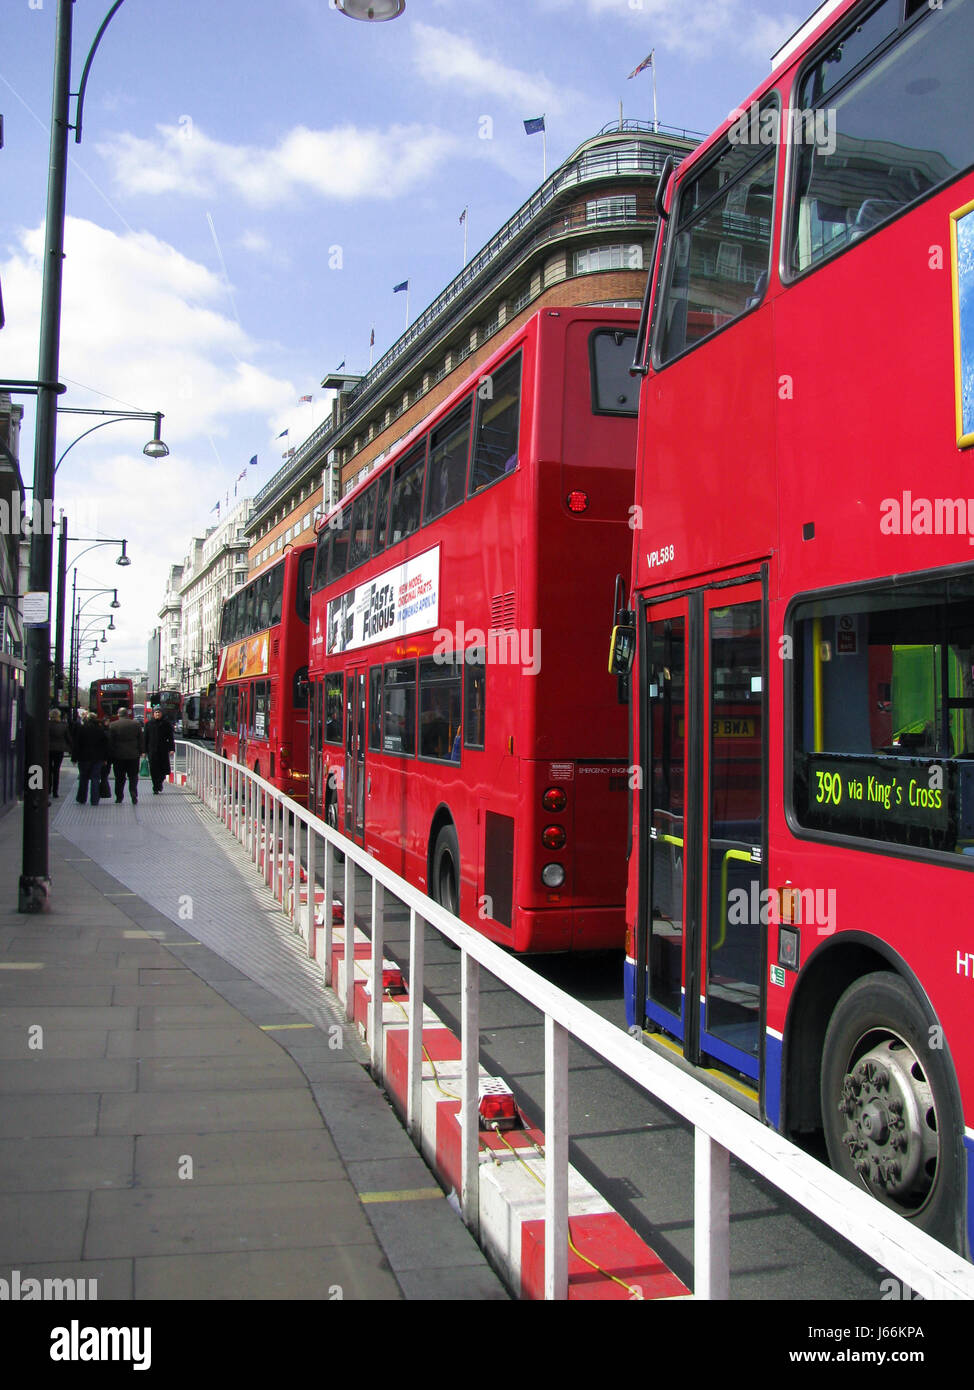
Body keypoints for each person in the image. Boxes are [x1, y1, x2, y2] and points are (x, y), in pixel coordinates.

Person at [73, 710, 111, 806]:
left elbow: (76, 744)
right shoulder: (100, 730)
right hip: (98, 758)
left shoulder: (82, 729)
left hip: (83, 757)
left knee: (83, 777)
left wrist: (74, 758)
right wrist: (105, 758)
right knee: (95, 778)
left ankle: (81, 798)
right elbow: (105, 745)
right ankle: (94, 800)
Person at [108, 705, 144, 804]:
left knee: (119, 777)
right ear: (127, 714)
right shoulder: (136, 724)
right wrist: (141, 751)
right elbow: (141, 739)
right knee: (133, 776)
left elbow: (110, 742)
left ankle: (119, 796)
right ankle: (133, 792)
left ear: (118, 715)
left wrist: (111, 754)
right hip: (133, 755)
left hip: (118, 755)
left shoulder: (113, 725)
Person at [144, 706, 176, 794]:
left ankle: (160, 782)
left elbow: (170, 737)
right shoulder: (149, 724)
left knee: (163, 769)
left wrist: (172, 748)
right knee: (153, 769)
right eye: (156, 712)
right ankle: (155, 786)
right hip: (152, 750)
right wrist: (144, 750)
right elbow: (145, 738)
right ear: (153, 714)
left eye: (159, 712)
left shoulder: (166, 724)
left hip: (163, 750)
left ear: (161, 714)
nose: (157, 714)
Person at [48, 708, 72, 798]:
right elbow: (68, 738)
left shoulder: (47, 725)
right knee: (56, 770)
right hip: (59, 749)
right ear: (59, 716)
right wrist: (71, 749)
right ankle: (55, 791)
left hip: (49, 749)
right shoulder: (64, 725)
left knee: (48, 769)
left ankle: (48, 789)